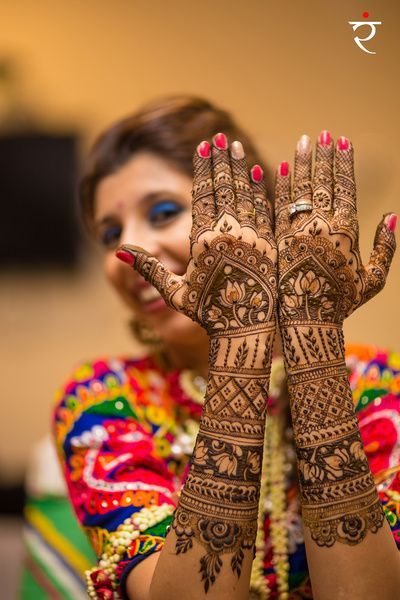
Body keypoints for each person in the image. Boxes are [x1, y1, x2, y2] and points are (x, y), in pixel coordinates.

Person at [52, 95, 400, 600]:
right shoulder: (103, 396)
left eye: (164, 211)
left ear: (260, 221)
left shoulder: (376, 382)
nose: (127, 252)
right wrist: (242, 341)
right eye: (110, 234)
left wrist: (312, 336)